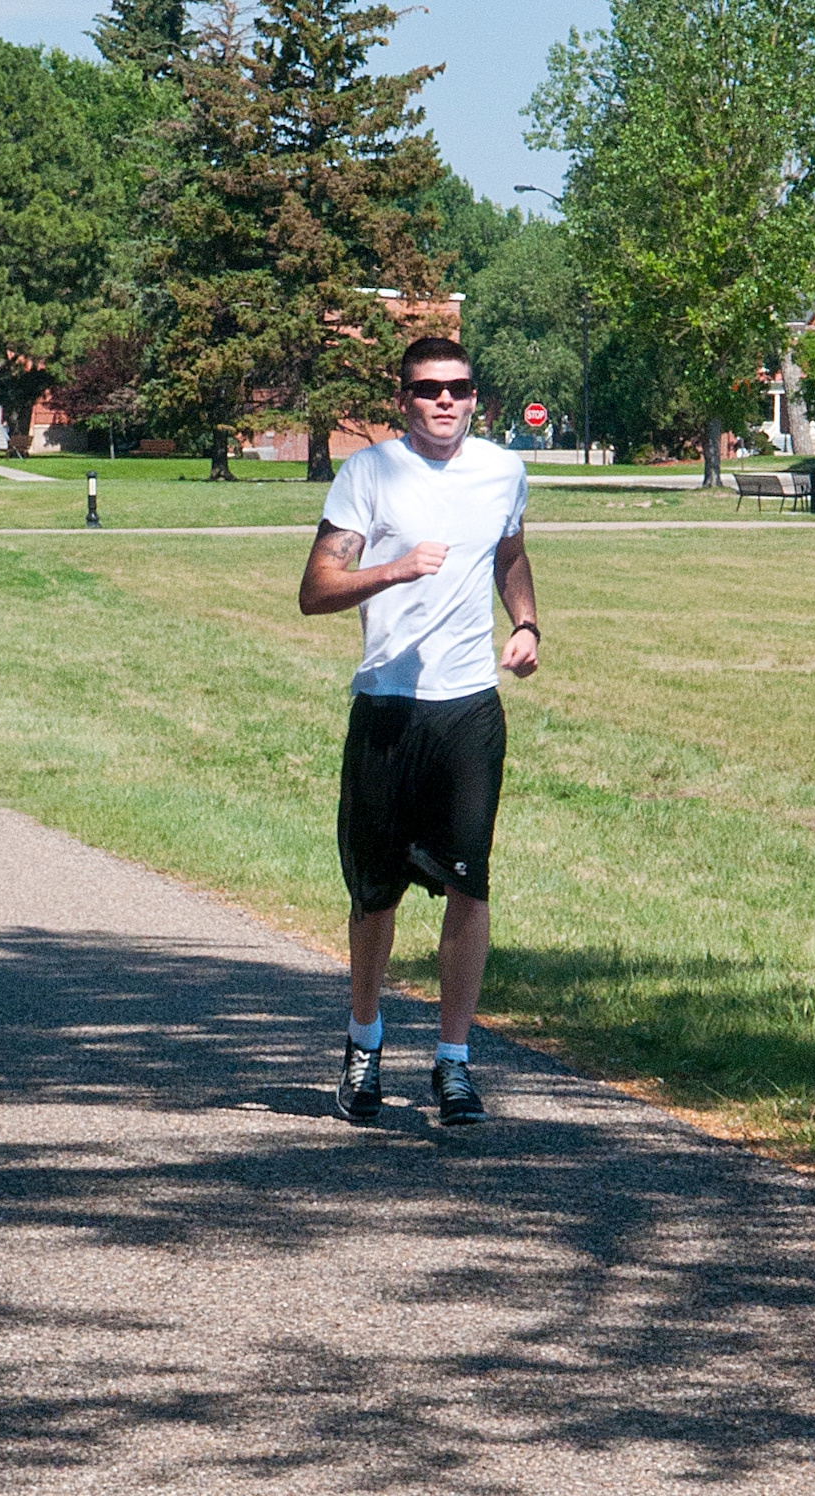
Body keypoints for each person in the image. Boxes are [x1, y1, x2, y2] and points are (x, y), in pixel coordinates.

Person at [298, 336, 540, 1125]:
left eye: (458, 388)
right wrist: (391, 570)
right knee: (373, 896)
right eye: (428, 389)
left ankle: (453, 1063)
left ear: (478, 397)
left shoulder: (503, 470)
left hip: (467, 707)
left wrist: (527, 623)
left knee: (468, 886)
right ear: (402, 399)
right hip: (387, 707)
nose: (444, 401)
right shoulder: (368, 472)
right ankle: (363, 1041)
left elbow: (508, 550)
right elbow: (315, 590)